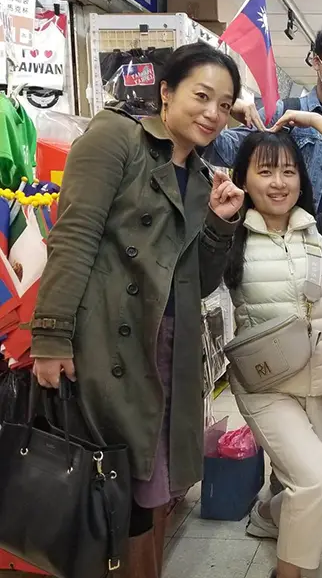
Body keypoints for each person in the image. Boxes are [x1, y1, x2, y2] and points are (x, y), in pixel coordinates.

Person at [29, 42, 244, 577]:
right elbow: (73, 237)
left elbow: (199, 283)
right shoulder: (113, 137)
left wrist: (218, 224)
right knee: (113, 493)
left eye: (225, 103)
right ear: (165, 92)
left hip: (169, 349)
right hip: (107, 346)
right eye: (202, 96)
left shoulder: (200, 177)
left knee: (154, 492)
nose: (213, 113)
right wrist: (51, 337)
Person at [209, 17, 322, 496]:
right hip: (284, 253)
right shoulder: (282, 113)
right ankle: (291, 475)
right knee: (283, 360)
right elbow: (225, 149)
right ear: (316, 60)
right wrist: (227, 109)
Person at [223, 110, 322, 578]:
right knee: (315, 482)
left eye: (288, 171)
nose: (278, 182)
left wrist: (316, 122)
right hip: (267, 384)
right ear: (244, 178)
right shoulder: (228, 235)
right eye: (265, 170)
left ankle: (269, 515)